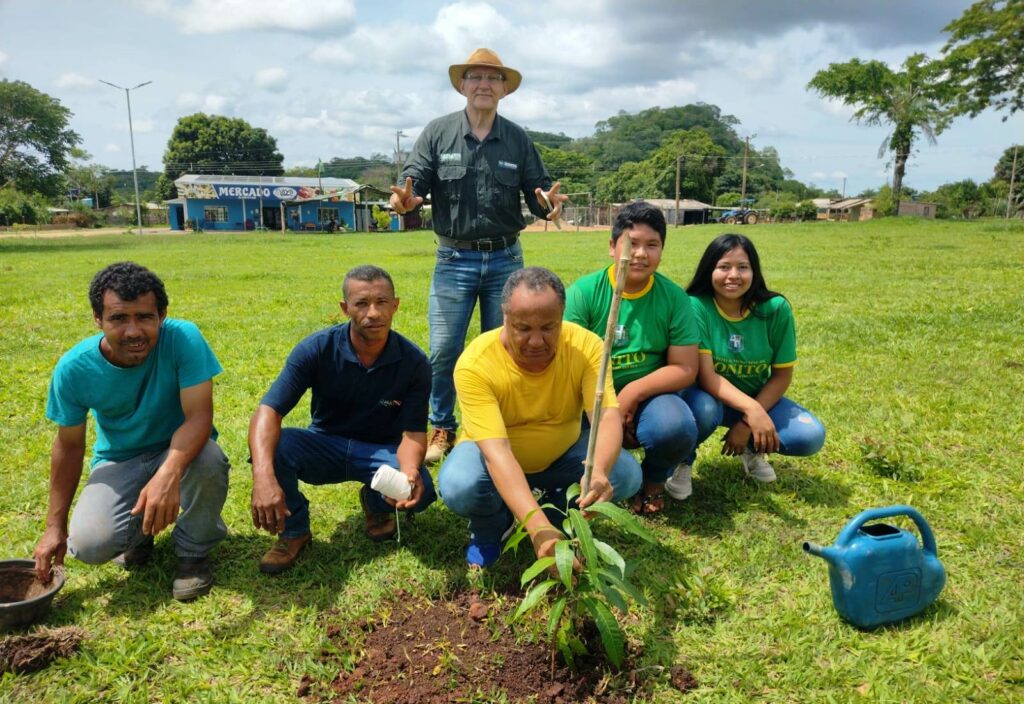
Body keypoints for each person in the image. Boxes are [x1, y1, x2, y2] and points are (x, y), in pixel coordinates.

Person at [390, 47, 569, 465]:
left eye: (493, 78)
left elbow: (539, 193)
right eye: (475, 77)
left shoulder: (517, 138)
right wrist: (406, 200)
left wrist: (549, 205)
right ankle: (442, 426)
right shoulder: (438, 133)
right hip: (454, 259)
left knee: (508, 346)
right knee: (444, 350)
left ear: (504, 89)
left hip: (506, 260)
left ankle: (499, 423)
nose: (484, 84)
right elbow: (413, 184)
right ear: (462, 85)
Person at [33, 262, 230, 601]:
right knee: (90, 544)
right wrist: (54, 526)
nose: (134, 331)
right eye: (119, 319)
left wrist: (168, 473)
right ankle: (140, 536)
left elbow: (198, 418)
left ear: (162, 315)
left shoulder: (183, 338)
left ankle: (193, 553)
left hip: (179, 449)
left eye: (144, 317)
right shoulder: (74, 369)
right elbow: (69, 447)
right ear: (98, 320)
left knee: (210, 458)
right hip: (119, 460)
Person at [438, 267, 642, 569]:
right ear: (504, 318)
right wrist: (538, 531)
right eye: (523, 328)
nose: (536, 341)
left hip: (565, 453)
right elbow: (497, 454)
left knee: (624, 474)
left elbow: (606, 416)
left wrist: (598, 470)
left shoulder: (586, 347)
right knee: (460, 485)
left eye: (548, 328)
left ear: (562, 318)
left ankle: (560, 514)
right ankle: (493, 522)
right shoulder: (476, 364)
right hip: (496, 461)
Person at [249, 265, 437, 574]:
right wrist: (263, 475)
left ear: (396, 305)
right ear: (344, 307)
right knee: (275, 446)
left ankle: (377, 505)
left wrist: (410, 471)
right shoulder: (316, 349)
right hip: (326, 444)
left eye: (381, 302)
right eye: (362, 303)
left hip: (380, 451)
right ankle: (294, 532)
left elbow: (413, 433)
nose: (373, 313)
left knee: (424, 490)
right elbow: (268, 411)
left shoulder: (414, 362)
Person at [564, 202, 719, 513]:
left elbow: (685, 367)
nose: (640, 254)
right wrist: (610, 409)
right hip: (589, 401)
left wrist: (632, 394)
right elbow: (569, 364)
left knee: (678, 424)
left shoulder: (674, 298)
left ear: (662, 250)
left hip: (650, 397)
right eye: (631, 244)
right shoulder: (584, 293)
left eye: (652, 245)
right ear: (612, 246)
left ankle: (655, 478)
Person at [680, 234, 825, 484]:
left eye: (743, 267)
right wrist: (753, 411)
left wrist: (749, 420)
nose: (733, 275)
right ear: (709, 270)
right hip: (708, 397)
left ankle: (751, 448)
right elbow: (706, 377)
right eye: (724, 267)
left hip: (757, 396)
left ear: (754, 271)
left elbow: (782, 376)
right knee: (703, 409)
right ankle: (682, 461)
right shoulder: (696, 306)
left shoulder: (776, 309)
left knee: (809, 435)